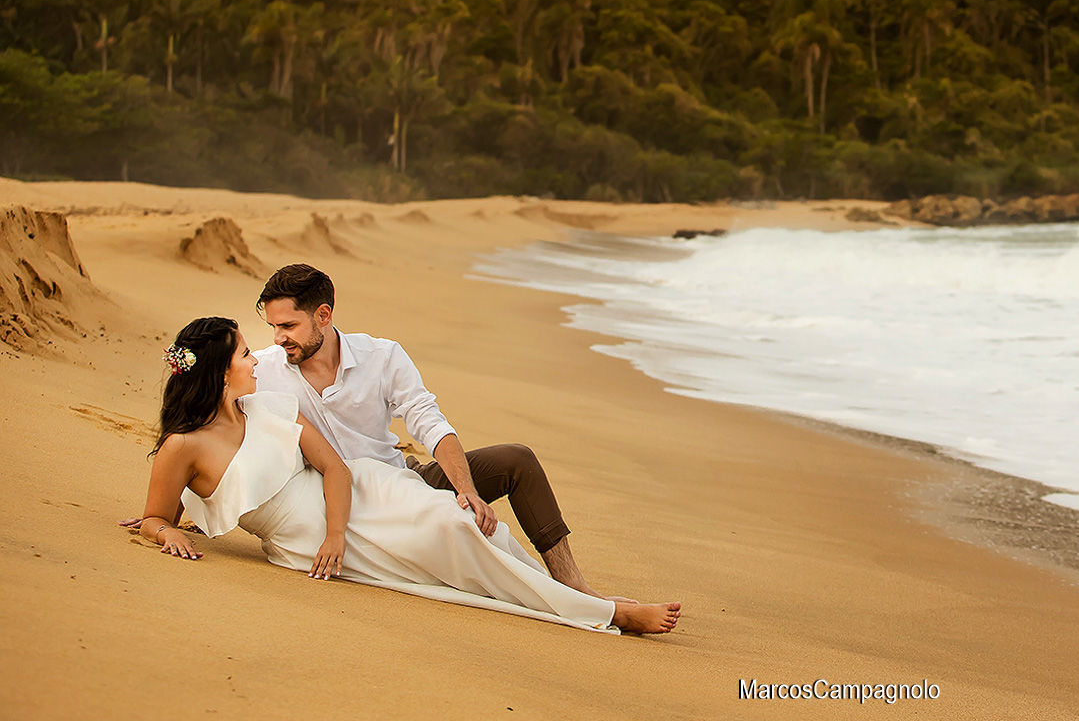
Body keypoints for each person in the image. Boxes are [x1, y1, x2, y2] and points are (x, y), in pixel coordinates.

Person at [134, 315, 680, 634]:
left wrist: (336, 533)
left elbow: (335, 468)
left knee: (461, 522)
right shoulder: (184, 445)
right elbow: (154, 516)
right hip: (301, 541)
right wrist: (167, 529)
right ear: (218, 370)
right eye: (246, 353)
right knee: (450, 545)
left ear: (322, 315)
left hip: (358, 498)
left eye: (267, 341)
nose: (260, 356)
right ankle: (607, 613)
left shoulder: (267, 408)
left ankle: (590, 602)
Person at [249, 264, 613, 600]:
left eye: (288, 326)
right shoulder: (264, 371)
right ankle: (550, 596)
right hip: (334, 499)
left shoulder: (382, 356)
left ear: (323, 315)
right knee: (454, 528)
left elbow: (428, 421)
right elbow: (211, 419)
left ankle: (571, 583)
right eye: (274, 328)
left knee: (517, 461)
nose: (279, 338)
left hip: (402, 483)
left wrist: (466, 490)